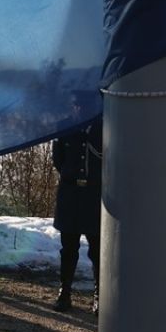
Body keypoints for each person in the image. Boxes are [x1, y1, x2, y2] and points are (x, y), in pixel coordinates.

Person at [50, 94, 103, 312]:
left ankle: (100, 294)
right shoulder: (64, 126)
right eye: (77, 105)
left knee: (98, 249)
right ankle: (65, 292)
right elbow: (58, 159)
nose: (80, 109)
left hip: (95, 195)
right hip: (70, 194)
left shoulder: (106, 126)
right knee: (68, 247)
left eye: (85, 106)